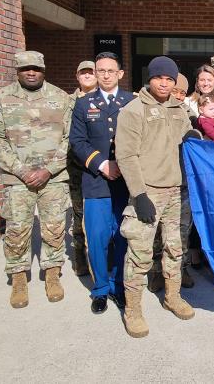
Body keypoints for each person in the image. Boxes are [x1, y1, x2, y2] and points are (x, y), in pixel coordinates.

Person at [0, 51, 72, 308]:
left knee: (54, 228)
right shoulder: (2, 98)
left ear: (43, 70)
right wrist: (21, 171)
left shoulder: (60, 98)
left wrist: (49, 169)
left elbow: (70, 139)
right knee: (17, 230)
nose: (31, 73)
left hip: (53, 179)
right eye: (25, 69)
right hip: (17, 179)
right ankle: (19, 277)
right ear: (17, 71)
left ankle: (52, 273)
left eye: (36, 68)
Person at [116, 56, 196, 338]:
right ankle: (133, 310)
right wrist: (139, 194)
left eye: (169, 79)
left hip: (177, 192)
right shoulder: (133, 110)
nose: (164, 83)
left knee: (175, 248)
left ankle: (172, 296)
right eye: (159, 77)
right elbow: (126, 155)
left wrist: (194, 135)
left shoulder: (178, 108)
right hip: (149, 192)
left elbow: (187, 135)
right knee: (140, 254)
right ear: (149, 79)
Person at [70, 52, 135, 314]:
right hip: (96, 181)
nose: (105, 75)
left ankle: (118, 286)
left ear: (120, 73)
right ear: (95, 73)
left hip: (125, 183)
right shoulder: (83, 104)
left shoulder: (132, 102)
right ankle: (100, 289)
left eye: (111, 70)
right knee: (97, 238)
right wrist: (102, 164)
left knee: (122, 236)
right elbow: (77, 141)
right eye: (101, 71)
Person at [148, 73, 196, 292]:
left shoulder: (188, 114)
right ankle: (157, 272)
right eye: (175, 90)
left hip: (183, 183)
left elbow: (196, 135)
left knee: (181, 231)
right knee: (157, 232)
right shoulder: (151, 109)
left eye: (182, 93)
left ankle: (181, 269)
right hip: (158, 181)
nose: (177, 95)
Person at [68, 60, 97, 276]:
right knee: (78, 213)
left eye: (91, 72)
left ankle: (103, 255)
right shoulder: (66, 102)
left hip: (98, 166)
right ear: (77, 76)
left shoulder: (105, 99)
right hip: (75, 166)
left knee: (99, 214)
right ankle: (80, 256)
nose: (87, 76)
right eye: (83, 73)